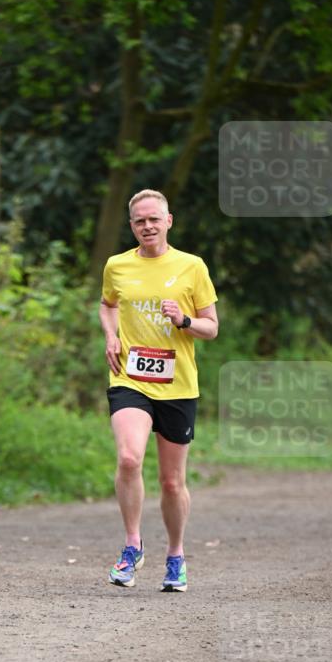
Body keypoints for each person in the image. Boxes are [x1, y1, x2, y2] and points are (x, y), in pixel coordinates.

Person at [99, 189, 219, 592]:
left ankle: (176, 554)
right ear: (131, 226)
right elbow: (107, 304)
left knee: (171, 482)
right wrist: (111, 335)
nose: (147, 226)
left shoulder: (192, 266)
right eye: (140, 221)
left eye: (154, 219)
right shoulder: (117, 265)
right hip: (130, 378)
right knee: (129, 458)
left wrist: (184, 320)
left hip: (177, 384)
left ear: (169, 221)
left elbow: (211, 327)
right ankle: (133, 545)